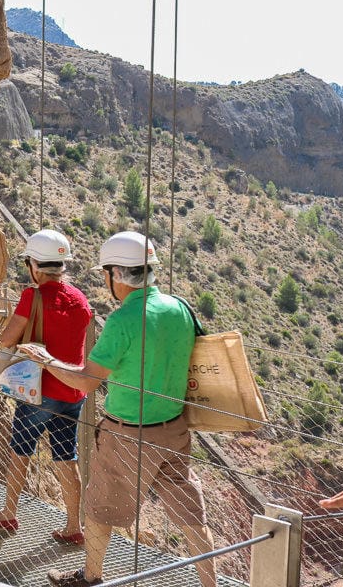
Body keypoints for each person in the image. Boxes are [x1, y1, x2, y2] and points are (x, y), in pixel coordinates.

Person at [20, 231, 215, 587]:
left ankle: (92, 576)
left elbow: (86, 382)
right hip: (174, 427)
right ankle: (210, 584)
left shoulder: (123, 321)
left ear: (116, 274)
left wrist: (46, 360)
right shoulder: (180, 308)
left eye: (106, 273)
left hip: (127, 432)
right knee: (190, 512)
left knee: (99, 508)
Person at [0, 230, 92, 547]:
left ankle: (8, 511)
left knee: (21, 450)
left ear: (34, 264)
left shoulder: (34, 296)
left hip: (38, 390)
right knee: (65, 456)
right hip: (72, 393)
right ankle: (74, 525)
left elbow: (6, 339)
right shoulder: (80, 298)